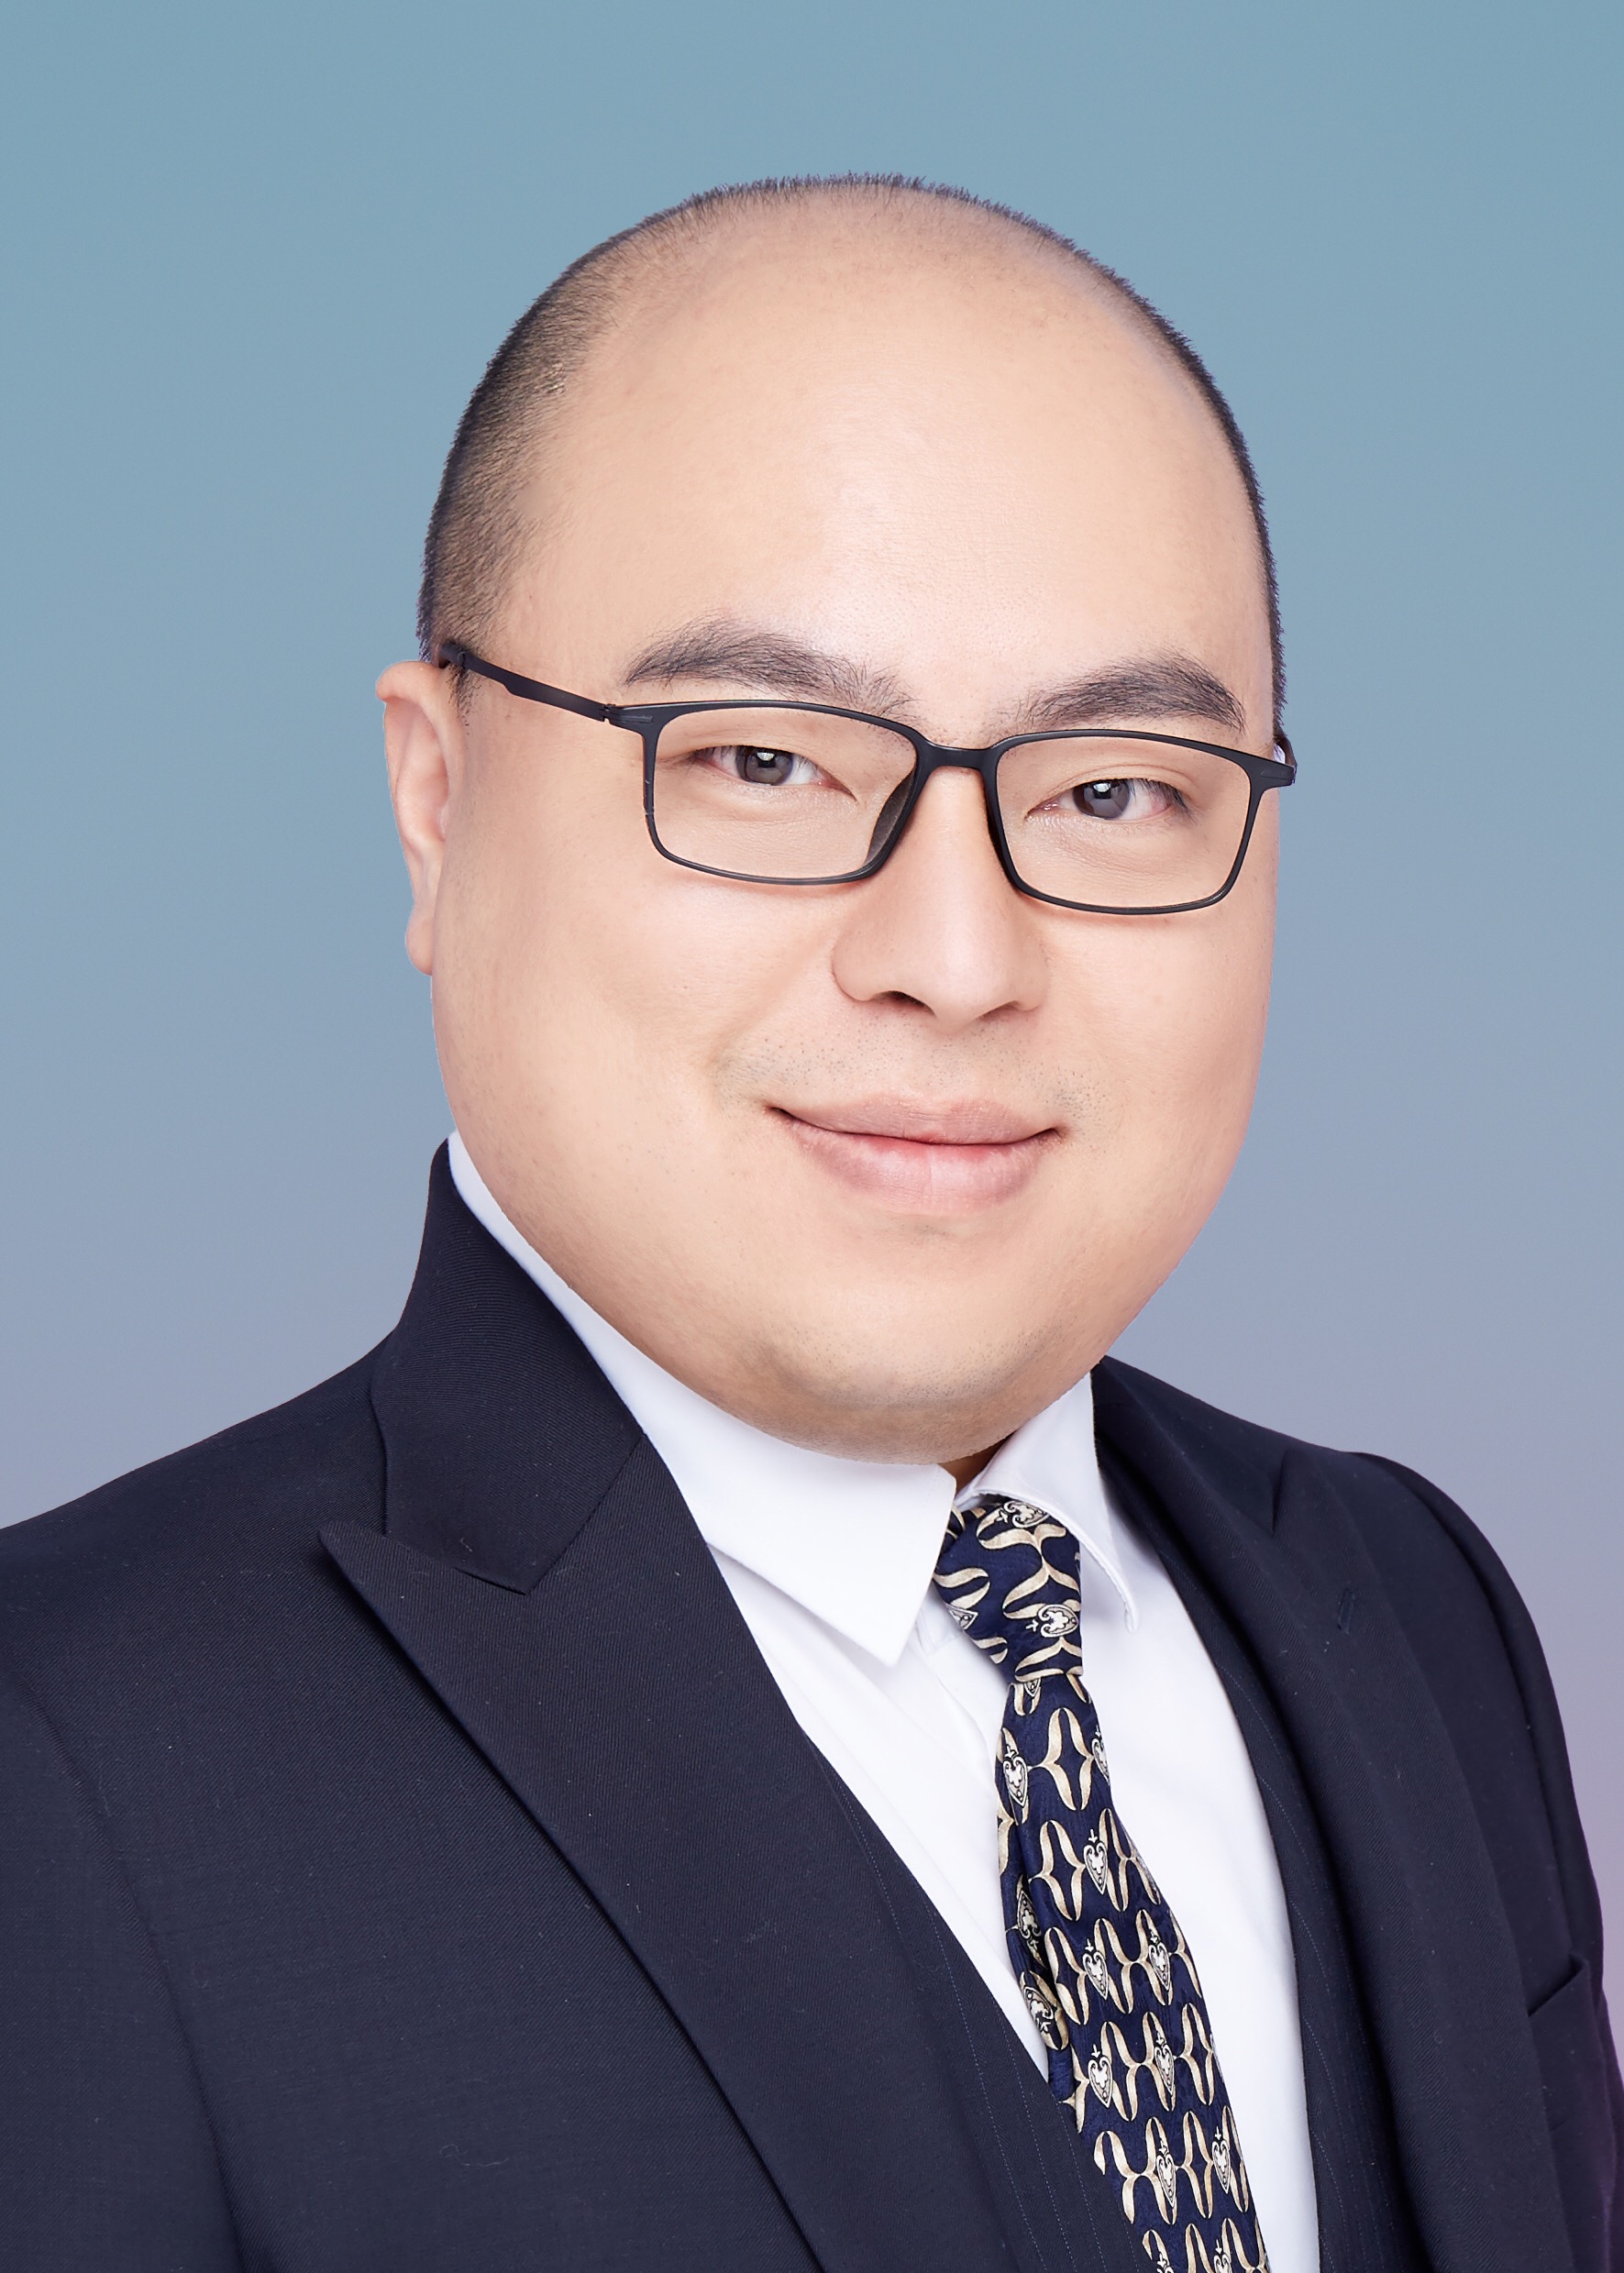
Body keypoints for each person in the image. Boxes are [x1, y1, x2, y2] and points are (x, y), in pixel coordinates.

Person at [1, 174, 1616, 2273]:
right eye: (762, 760)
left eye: (1113, 789)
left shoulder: (1407, 1605)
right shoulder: (64, 1759)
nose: (954, 955)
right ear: (435, 799)